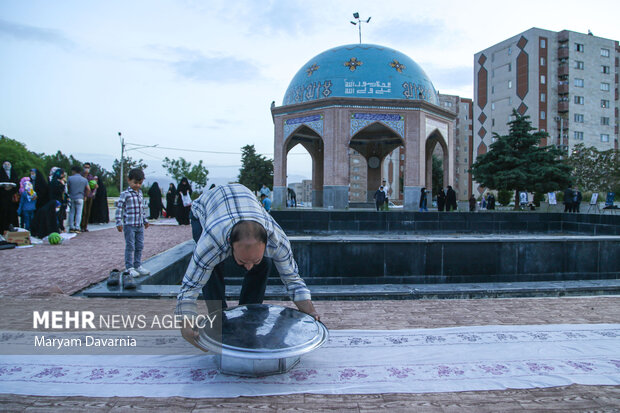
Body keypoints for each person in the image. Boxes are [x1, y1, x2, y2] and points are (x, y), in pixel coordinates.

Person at [177, 183, 319, 349]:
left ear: (267, 244)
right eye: (243, 261)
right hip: (205, 209)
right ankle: (218, 319)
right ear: (230, 243)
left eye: (254, 260)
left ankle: (248, 314)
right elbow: (190, 287)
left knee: (265, 263)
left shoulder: (277, 241)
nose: (249, 267)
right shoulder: (212, 242)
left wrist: (310, 311)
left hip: (243, 205)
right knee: (211, 267)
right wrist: (185, 324)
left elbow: (292, 279)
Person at [111, 168, 150, 287]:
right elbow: (120, 209)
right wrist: (118, 222)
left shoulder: (140, 193)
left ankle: (138, 265)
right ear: (129, 181)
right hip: (129, 225)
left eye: (140, 183)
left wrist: (145, 220)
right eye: (135, 183)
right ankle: (129, 267)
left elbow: (141, 209)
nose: (137, 185)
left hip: (139, 225)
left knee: (140, 245)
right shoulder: (125, 194)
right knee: (130, 246)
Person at [67, 165, 90, 233]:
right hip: (80, 197)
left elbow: (68, 187)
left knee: (72, 212)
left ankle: (71, 227)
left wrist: (69, 192)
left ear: (74, 171)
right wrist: (85, 196)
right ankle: (77, 227)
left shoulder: (70, 178)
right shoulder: (84, 179)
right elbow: (88, 189)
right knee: (79, 213)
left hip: (72, 197)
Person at [0, 161, 19, 233]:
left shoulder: (13, 173)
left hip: (11, 198)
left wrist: (11, 188)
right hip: (2, 197)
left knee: (12, 213)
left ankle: (12, 227)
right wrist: (4, 188)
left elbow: (17, 183)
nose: (7, 166)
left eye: (8, 164)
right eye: (5, 164)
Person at [80, 162, 98, 232]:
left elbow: (94, 186)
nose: (86, 169)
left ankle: (85, 226)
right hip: (82, 195)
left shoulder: (91, 177)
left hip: (89, 196)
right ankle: (81, 225)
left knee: (88, 212)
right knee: (83, 212)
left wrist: (95, 189)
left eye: (88, 167)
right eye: (85, 167)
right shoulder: (81, 176)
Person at [49, 168, 68, 232]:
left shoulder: (53, 181)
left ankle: (59, 227)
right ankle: (58, 228)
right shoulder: (57, 182)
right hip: (57, 201)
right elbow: (60, 191)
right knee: (58, 216)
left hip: (56, 200)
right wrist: (62, 184)